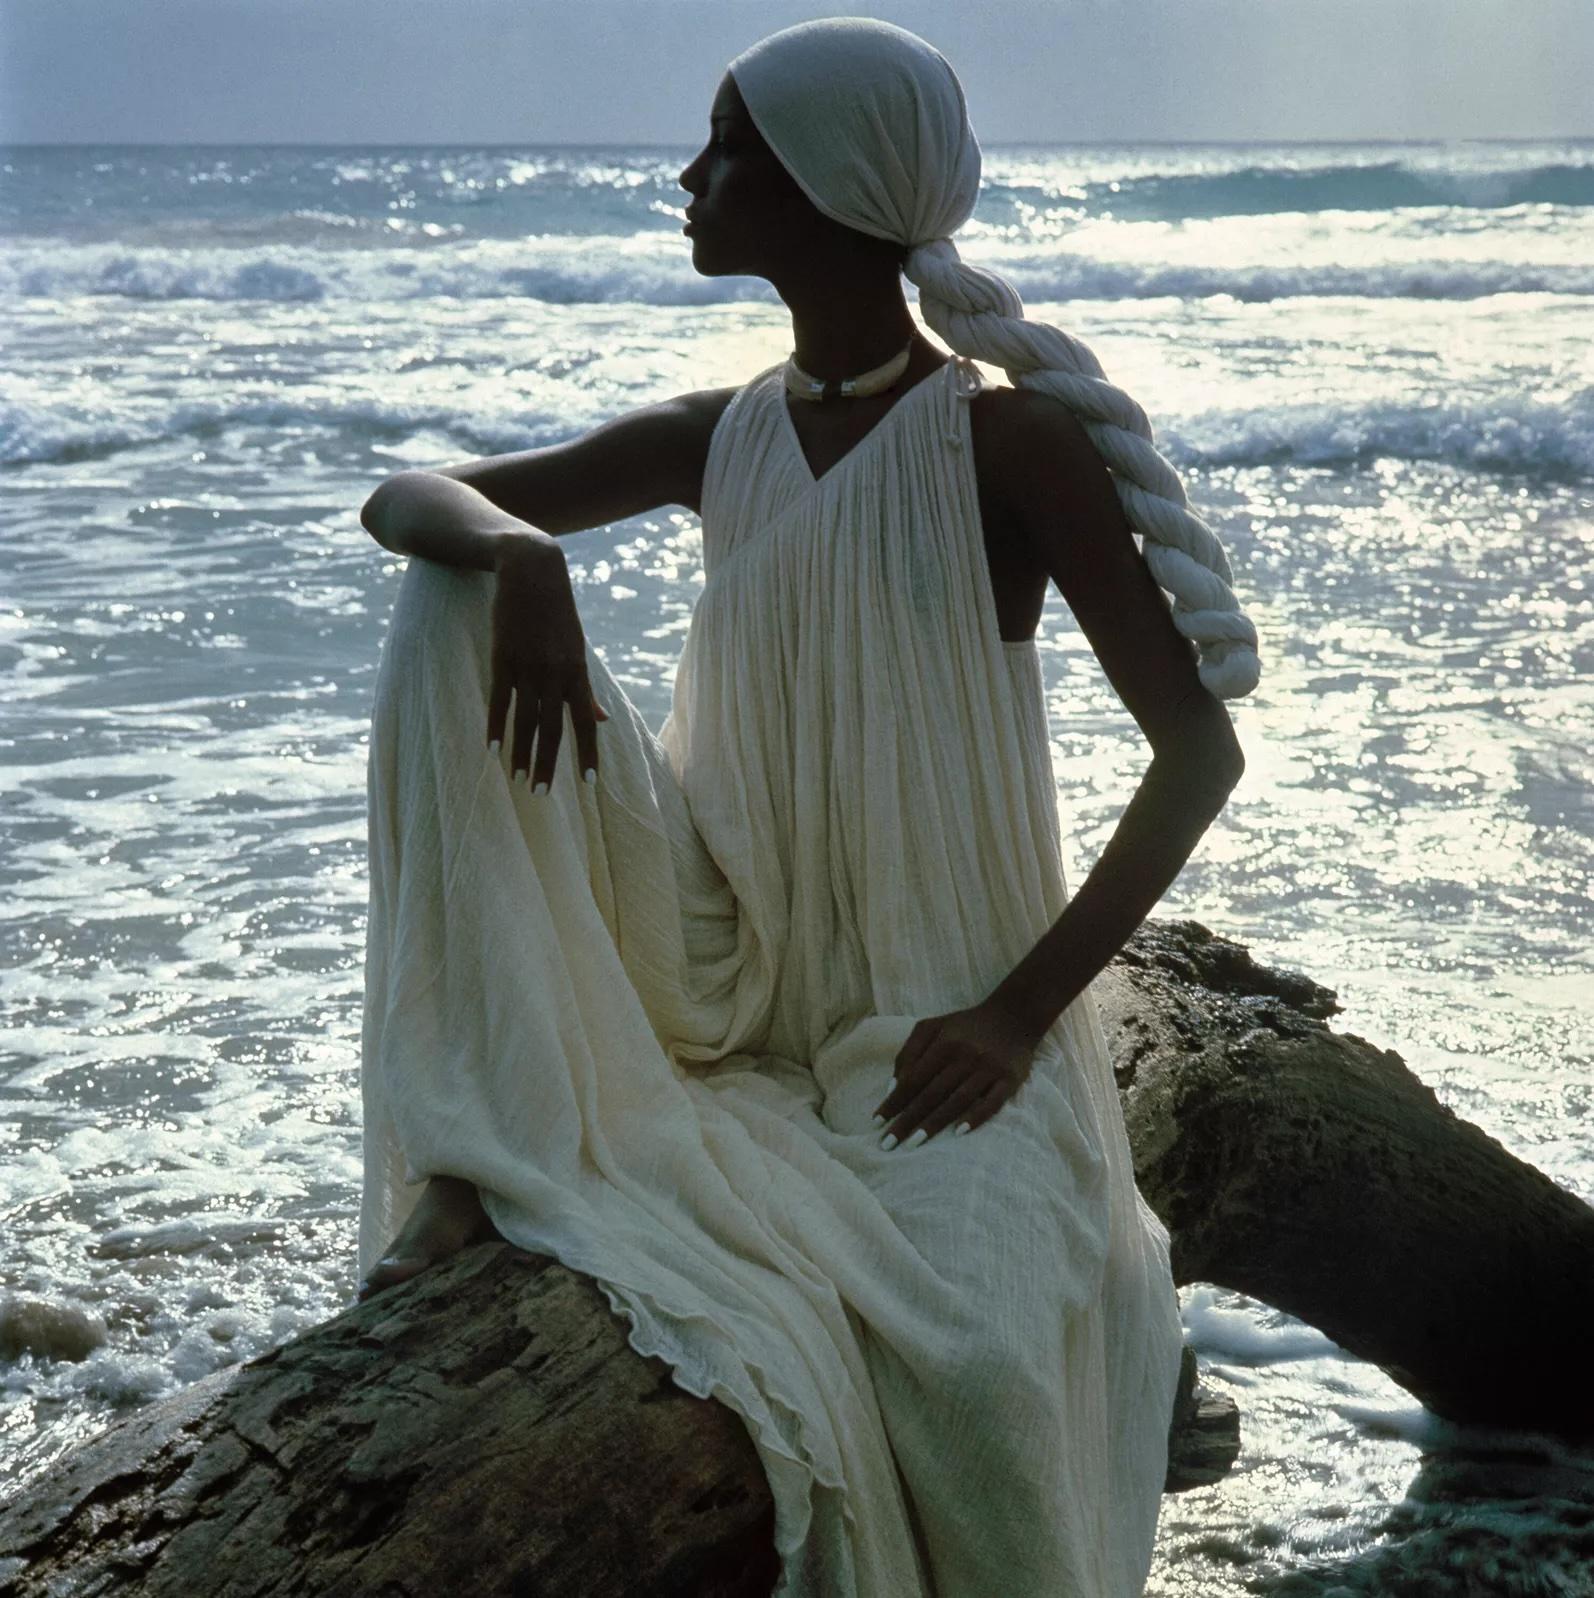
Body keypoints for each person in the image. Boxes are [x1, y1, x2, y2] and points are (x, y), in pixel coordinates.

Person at [353, 17, 1255, 1596]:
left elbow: (1198, 755)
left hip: (933, 1004)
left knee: (973, 1369)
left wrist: (1014, 1011)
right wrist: (516, 556)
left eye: (727, 151)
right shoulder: (721, 438)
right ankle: (470, 1138)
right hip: (724, 949)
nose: (688, 180)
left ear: (830, 186)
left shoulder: (1004, 443)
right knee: (441, 601)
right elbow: (402, 496)